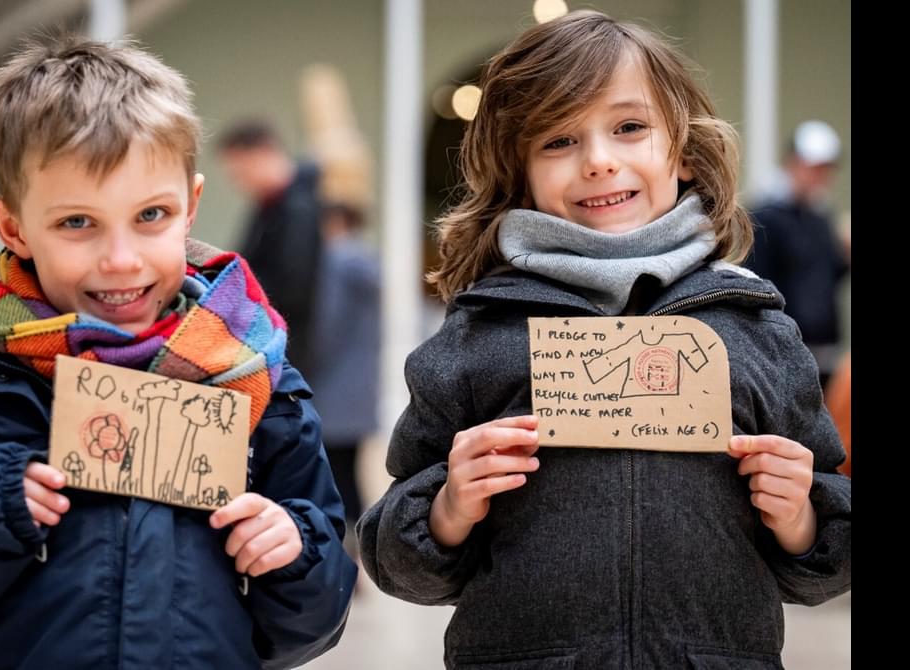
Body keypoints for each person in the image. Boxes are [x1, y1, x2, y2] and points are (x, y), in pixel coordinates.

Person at [0, 35, 356, 669]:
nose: (121, 259)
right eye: (77, 223)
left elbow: (313, 625)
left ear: (190, 208)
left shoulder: (262, 392)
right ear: (13, 227)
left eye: (151, 215)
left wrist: (294, 554)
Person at [358, 12, 850, 668]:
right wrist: (447, 505)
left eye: (628, 127)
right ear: (520, 168)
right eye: (558, 140)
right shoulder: (477, 336)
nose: (597, 161)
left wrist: (801, 517)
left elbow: (828, 557)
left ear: (679, 150)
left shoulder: (757, 331)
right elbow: (394, 555)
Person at [746, 120, 849, 386]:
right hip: (785, 351)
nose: (820, 178)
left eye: (825, 170)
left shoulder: (821, 218)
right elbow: (759, 282)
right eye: (813, 168)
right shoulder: (765, 216)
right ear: (792, 163)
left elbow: (825, 279)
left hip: (825, 350)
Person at [218, 120, 323, 375]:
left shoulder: (298, 208)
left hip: (287, 349)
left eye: (241, 173)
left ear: (265, 153)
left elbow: (293, 289)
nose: (240, 184)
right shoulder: (271, 206)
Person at [308, 203, 381, 554]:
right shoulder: (367, 259)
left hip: (332, 387)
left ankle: (345, 549)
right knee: (350, 469)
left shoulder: (336, 262)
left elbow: (326, 326)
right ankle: (361, 544)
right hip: (359, 388)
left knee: (335, 474)